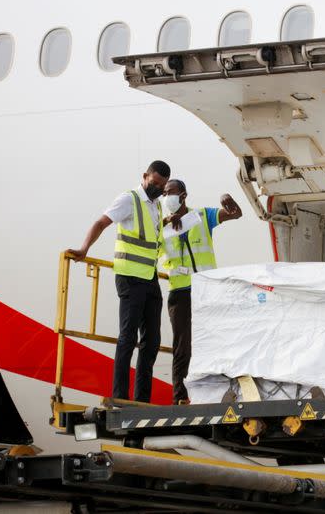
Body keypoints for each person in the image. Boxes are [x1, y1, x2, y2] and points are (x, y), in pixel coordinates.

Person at [68, 160, 170, 403]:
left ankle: (142, 399)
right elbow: (101, 223)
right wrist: (84, 249)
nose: (157, 188)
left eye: (161, 186)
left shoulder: (156, 206)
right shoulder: (129, 199)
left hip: (149, 278)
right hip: (130, 278)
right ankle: (120, 396)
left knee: (152, 341)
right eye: (154, 183)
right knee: (128, 337)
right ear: (145, 176)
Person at [160, 179, 242, 404]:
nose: (167, 198)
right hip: (180, 292)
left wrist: (229, 201)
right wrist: (167, 220)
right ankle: (180, 397)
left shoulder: (202, 216)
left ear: (183, 195)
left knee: (213, 340)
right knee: (182, 347)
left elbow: (235, 214)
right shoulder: (161, 227)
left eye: (171, 193)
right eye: (164, 194)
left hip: (205, 290)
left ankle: (220, 393)